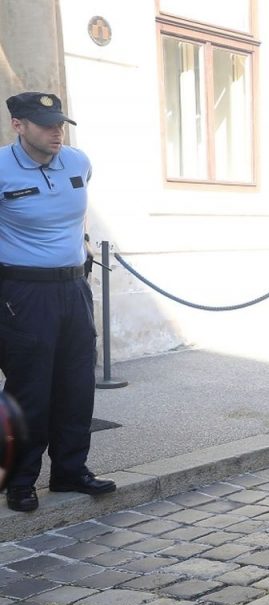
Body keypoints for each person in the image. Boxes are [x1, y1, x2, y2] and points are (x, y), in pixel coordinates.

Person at [0, 92, 115, 513]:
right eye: (46, 124)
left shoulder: (78, 162)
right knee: (30, 390)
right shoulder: (1, 168)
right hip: (24, 294)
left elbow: (73, 213)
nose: (57, 131)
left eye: (60, 123)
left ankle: (70, 470)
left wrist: (79, 248)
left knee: (77, 385)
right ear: (18, 125)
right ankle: (19, 480)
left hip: (74, 289)